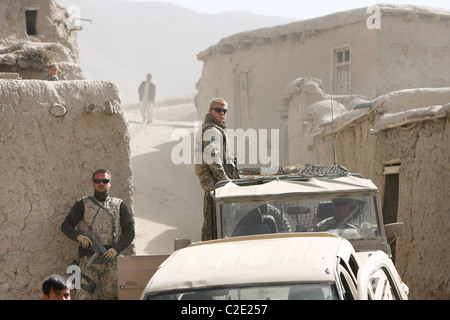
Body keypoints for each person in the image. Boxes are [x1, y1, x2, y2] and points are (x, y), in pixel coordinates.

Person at [61, 168, 135, 299]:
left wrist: (116, 250)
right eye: (98, 181)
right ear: (93, 183)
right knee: (82, 296)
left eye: (105, 181)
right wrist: (78, 236)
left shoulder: (119, 205)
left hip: (111, 261)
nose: (101, 183)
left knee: (112, 296)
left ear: (110, 183)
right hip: (87, 261)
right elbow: (66, 225)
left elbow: (129, 232)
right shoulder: (83, 204)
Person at [195, 97, 239, 241]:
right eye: (218, 110)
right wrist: (225, 182)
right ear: (211, 111)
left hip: (216, 183)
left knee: (216, 224)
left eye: (224, 110)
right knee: (216, 226)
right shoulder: (212, 131)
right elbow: (213, 158)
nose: (222, 113)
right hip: (215, 184)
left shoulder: (215, 129)